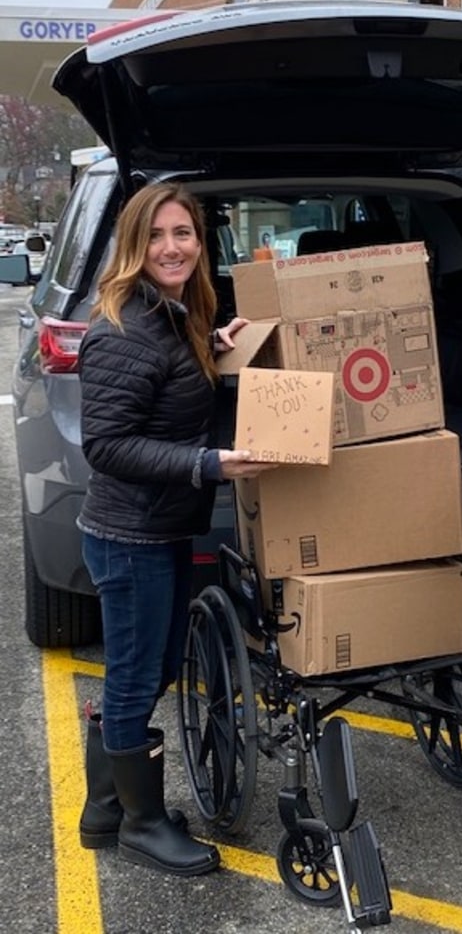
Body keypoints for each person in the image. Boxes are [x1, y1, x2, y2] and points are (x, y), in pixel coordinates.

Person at [76, 182, 273, 876]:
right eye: (157, 235)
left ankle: (105, 806)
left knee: (152, 667)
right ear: (135, 244)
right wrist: (209, 463)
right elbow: (106, 443)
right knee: (136, 677)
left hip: (155, 530)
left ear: (199, 240)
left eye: (183, 233)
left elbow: (165, 393)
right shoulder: (123, 326)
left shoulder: (172, 315)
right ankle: (142, 822)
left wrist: (212, 352)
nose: (172, 247)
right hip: (129, 536)